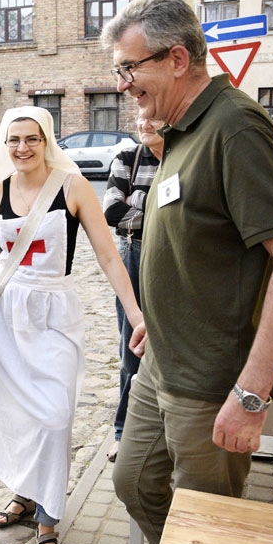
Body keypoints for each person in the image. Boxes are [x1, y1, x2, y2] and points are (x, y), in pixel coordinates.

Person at [101, 0, 273, 544]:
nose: (124, 84)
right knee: (133, 483)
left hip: (210, 385)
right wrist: (162, 318)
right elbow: (197, 250)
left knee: (209, 528)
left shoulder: (235, 128)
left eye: (130, 68)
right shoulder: (179, 129)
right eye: (119, 70)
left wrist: (250, 395)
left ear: (177, 59)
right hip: (161, 364)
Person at [0, 107, 142, 544]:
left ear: (47, 141)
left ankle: (48, 521)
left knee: (55, 417)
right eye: (14, 139)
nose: (22, 148)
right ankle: (24, 494)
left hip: (54, 312)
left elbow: (108, 257)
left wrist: (136, 314)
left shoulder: (72, 185)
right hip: (5, 315)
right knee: (18, 415)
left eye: (32, 139)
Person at [101, 116, 163, 463]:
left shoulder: (181, 156)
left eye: (153, 118)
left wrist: (137, 208)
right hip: (134, 252)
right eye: (141, 119)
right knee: (131, 347)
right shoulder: (129, 158)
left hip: (170, 252)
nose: (146, 123)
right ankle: (124, 432)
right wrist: (165, 213)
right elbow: (111, 211)